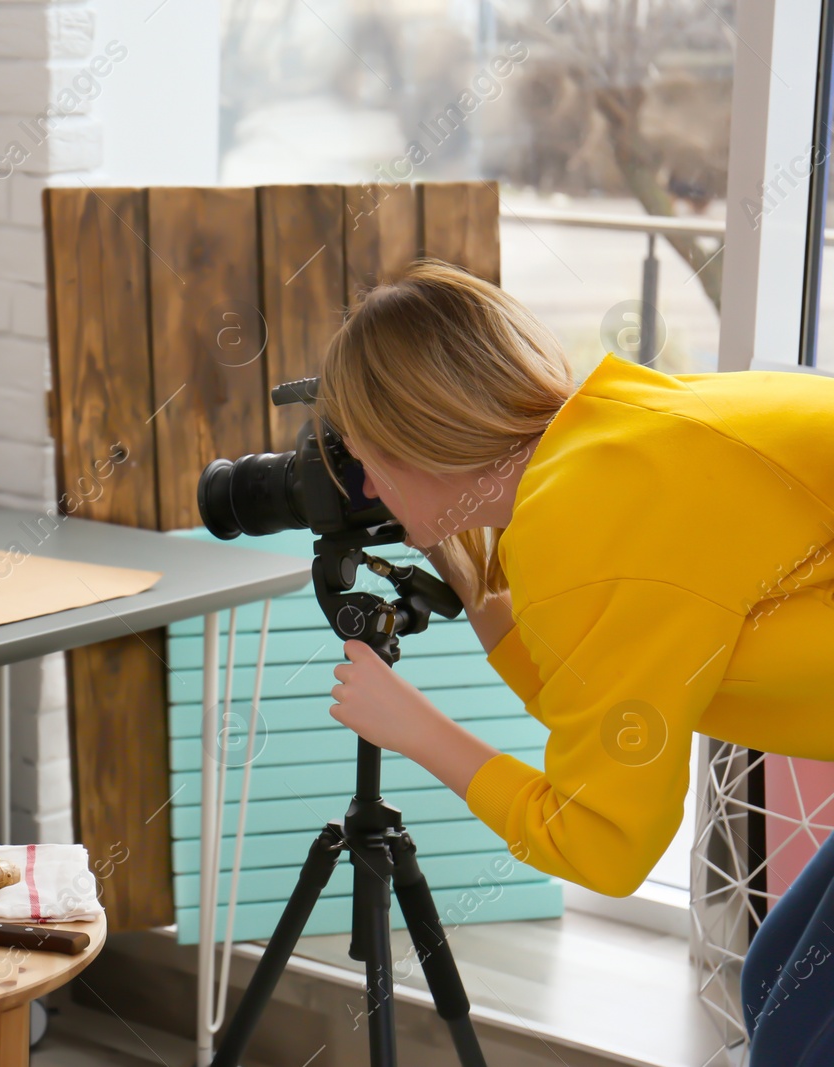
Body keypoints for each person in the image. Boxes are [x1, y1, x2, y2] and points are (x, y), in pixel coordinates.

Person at [317, 260, 834, 1064]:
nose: (369, 491)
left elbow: (603, 845)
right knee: (776, 981)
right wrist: (477, 585)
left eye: (364, 462)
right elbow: (597, 702)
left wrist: (415, 729)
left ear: (418, 437)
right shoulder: (606, 437)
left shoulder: (583, 519)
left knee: (801, 1040)